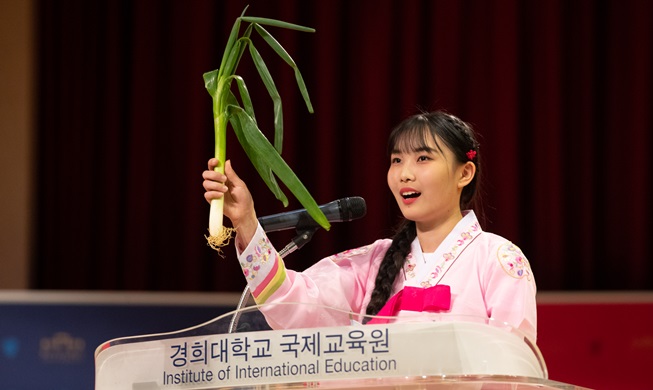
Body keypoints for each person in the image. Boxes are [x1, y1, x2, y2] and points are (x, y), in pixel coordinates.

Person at [202, 111, 537, 341]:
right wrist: (246, 221)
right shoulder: (373, 262)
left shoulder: (499, 261)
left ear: (464, 173)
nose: (405, 173)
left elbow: (512, 369)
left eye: (423, 158)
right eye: (396, 160)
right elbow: (293, 304)